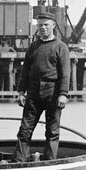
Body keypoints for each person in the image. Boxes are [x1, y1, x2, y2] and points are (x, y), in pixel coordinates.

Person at [15, 17, 73, 161]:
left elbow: (65, 73)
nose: (43, 28)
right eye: (40, 25)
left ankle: (50, 162)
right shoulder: (33, 47)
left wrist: (63, 94)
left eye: (46, 25)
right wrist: (21, 92)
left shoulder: (61, 47)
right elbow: (25, 71)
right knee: (24, 130)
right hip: (33, 92)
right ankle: (18, 162)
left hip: (52, 92)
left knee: (52, 131)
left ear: (53, 25)